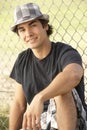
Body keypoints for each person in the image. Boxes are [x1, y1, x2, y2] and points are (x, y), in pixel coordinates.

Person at [9, 2, 87, 130]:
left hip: (74, 121)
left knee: (61, 90)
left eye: (32, 25)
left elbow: (74, 74)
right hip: (41, 122)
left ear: (45, 26)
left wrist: (39, 98)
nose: (28, 33)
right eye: (22, 29)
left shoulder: (65, 52)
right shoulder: (22, 59)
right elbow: (19, 104)